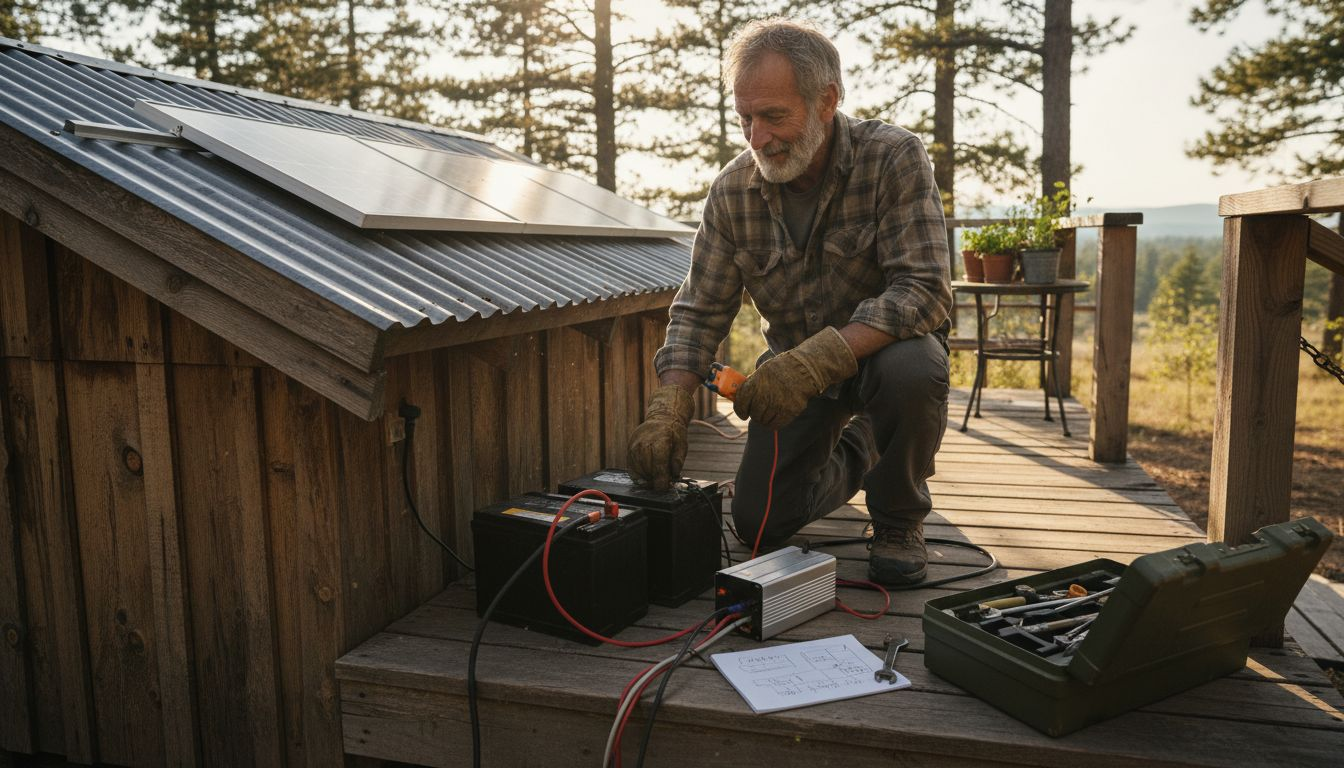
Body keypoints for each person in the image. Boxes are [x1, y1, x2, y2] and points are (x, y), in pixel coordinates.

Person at [628, 18, 952, 586]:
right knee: (758, 526)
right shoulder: (732, 193)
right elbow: (699, 311)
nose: (757, 138)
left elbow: (924, 290)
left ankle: (899, 517)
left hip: (882, 362)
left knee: (914, 364)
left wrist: (814, 362)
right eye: (745, 118)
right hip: (793, 385)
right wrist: (669, 407)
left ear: (827, 100)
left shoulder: (892, 158)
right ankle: (864, 446)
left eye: (773, 116)